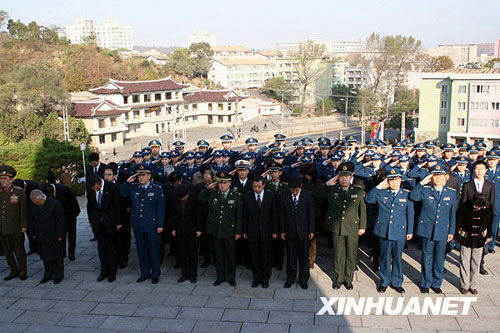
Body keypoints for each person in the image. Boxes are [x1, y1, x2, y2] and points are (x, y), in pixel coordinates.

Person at [314, 161, 366, 290]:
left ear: (351, 176)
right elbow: (315, 194)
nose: (344, 178)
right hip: (337, 228)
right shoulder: (332, 190)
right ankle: (338, 279)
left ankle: (348, 279)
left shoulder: (358, 191)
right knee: (338, 254)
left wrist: (362, 226)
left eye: (346, 176)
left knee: (351, 255)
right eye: (341, 175)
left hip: (352, 227)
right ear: (338, 176)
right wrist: (327, 183)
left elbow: (362, 210)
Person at [365, 167, 414, 293]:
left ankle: (397, 282)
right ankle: (384, 281)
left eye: (396, 180)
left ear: (401, 180)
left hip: (399, 231)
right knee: (385, 257)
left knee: (397, 258)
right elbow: (368, 199)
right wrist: (379, 187)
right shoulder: (381, 193)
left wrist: (409, 231)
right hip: (384, 230)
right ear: (387, 181)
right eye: (391, 180)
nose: (394, 183)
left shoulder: (406, 194)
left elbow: (410, 214)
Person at [410, 164, 456, 294]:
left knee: (439, 259)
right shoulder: (425, 190)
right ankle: (425, 283)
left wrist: (451, 231)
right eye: (435, 176)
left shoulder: (451, 193)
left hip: (442, 230)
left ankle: (436, 283)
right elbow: (413, 197)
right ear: (432, 177)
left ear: (445, 178)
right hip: (427, 230)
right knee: (427, 258)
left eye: (441, 176)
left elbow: (452, 215)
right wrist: (422, 183)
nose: (438, 179)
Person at [120, 165, 165, 284]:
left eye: (143, 175)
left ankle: (155, 273)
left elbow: (161, 209)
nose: (141, 178)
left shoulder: (157, 189)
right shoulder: (134, 187)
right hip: (138, 225)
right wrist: (127, 182)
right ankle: (144, 273)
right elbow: (122, 193)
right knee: (141, 251)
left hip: (152, 225)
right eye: (139, 175)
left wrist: (160, 225)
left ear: (149, 176)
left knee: (154, 250)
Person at [198, 172, 242, 286]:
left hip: (229, 231)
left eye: (225, 183)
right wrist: (208, 188)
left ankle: (231, 277)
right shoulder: (213, 194)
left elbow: (239, 216)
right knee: (218, 255)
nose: (222, 185)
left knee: (230, 255)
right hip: (216, 230)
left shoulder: (236, 196)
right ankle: (221, 276)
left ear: (230, 183)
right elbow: (200, 199)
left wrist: (238, 232)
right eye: (220, 183)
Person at [243, 175, 279, 288]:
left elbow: (274, 215)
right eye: (255, 186)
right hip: (252, 231)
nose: (257, 189)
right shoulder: (247, 196)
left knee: (266, 256)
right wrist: (244, 230)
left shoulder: (271, 196)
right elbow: (245, 215)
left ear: (263, 185)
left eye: (259, 186)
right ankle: (256, 278)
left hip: (266, 231)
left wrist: (275, 231)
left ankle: (265, 279)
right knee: (254, 256)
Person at [279, 176, 315, 289]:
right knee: (291, 257)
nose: (294, 192)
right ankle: (290, 278)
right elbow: (281, 214)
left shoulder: (308, 195)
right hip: (289, 231)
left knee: (304, 257)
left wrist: (311, 230)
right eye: (292, 190)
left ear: (301, 187)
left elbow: (311, 214)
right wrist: (282, 230)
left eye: (296, 190)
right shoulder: (283, 195)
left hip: (303, 231)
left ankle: (303, 280)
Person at [460, 160, 495, 275]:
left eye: (482, 169)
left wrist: (489, 232)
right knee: (465, 256)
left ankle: (477, 274)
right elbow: (463, 205)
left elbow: (491, 209)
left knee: (479, 253)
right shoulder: (467, 185)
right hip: (468, 223)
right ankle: (464, 284)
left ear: (486, 171)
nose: (479, 171)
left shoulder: (490, 186)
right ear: (473, 170)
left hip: (482, 224)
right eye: (477, 168)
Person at [87, 175, 122, 282]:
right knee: (102, 249)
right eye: (93, 189)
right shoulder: (91, 189)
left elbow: (118, 206)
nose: (95, 190)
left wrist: (118, 222)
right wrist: (92, 221)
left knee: (111, 249)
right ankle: (104, 271)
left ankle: (112, 273)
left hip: (110, 223)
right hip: (98, 223)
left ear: (100, 183)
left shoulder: (111, 187)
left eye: (97, 188)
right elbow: (90, 206)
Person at [456, 196, 493, 295]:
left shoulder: (488, 209)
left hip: (479, 238)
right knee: (464, 261)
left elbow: (490, 223)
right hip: (466, 237)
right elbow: (458, 220)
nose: (477, 208)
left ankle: (473, 285)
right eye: (476, 206)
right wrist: (457, 235)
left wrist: (488, 236)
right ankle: (464, 285)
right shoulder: (464, 207)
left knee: (476, 262)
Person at [28, 189, 65, 284]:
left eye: (38, 202)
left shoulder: (54, 204)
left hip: (52, 234)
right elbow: (31, 219)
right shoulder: (32, 204)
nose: (37, 204)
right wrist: (32, 232)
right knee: (45, 256)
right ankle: (48, 274)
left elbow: (60, 220)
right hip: (40, 235)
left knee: (56, 256)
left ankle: (58, 275)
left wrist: (60, 234)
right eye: (35, 203)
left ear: (42, 198)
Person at [0, 165, 28, 281]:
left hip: (16, 227)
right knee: (7, 251)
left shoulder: (18, 192)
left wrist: (24, 225)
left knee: (19, 250)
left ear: (11, 180)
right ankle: (13, 270)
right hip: (2, 227)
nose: (3, 181)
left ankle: (22, 271)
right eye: (1, 179)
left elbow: (23, 210)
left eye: (5, 179)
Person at [41, 183, 80, 261]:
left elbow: (74, 202)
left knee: (71, 235)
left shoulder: (64, 189)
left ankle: (71, 253)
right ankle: (62, 252)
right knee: (61, 234)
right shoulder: (45, 193)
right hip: (57, 217)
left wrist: (74, 215)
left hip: (69, 215)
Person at [170, 184, 201, 283]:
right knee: (183, 253)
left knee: (193, 254)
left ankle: (193, 275)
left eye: (184, 197)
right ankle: (184, 274)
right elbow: (173, 215)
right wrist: (173, 228)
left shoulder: (194, 199)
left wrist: (199, 229)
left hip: (192, 230)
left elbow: (199, 215)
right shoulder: (176, 199)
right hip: (180, 230)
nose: (182, 199)